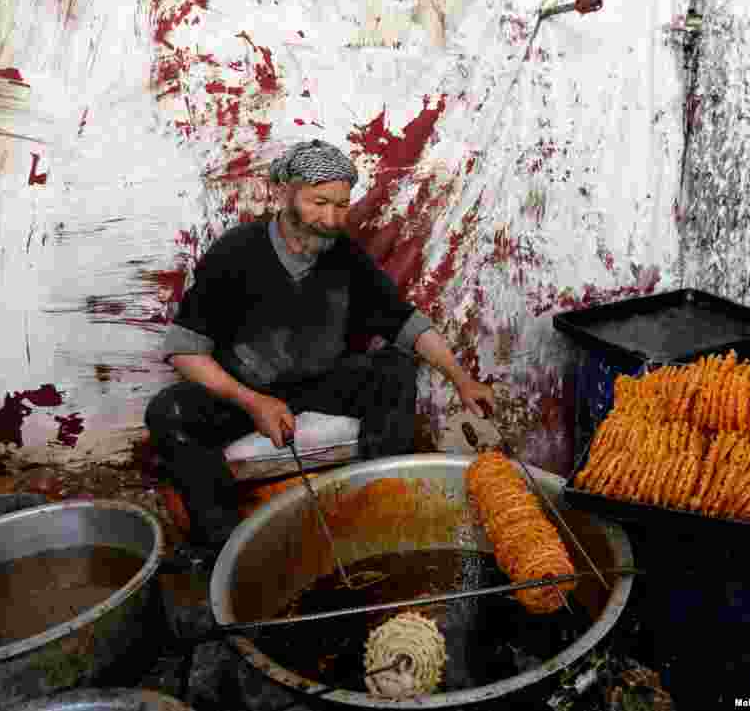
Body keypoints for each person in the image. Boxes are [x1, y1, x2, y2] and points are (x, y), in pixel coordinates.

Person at [145, 139, 495, 569]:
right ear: (283, 193)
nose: (330, 219)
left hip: (323, 381)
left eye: (341, 205)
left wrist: (462, 379)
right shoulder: (236, 253)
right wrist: (253, 402)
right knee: (169, 411)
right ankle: (223, 546)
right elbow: (184, 351)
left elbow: (405, 323)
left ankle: (381, 510)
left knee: (395, 367)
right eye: (318, 202)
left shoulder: (343, 254)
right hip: (250, 391)